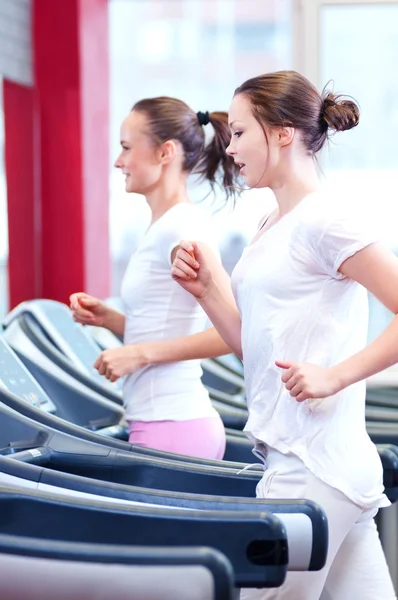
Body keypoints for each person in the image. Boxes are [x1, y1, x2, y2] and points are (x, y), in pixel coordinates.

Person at [171, 71, 397, 599]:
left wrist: (333, 376)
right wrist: (208, 289)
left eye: (241, 133)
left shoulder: (325, 219)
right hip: (328, 468)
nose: (231, 148)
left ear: (283, 133)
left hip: (308, 470)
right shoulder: (275, 221)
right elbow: (257, 348)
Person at [70, 97, 239, 459]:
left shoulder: (181, 229)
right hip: (163, 424)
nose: (119, 161)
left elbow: (236, 331)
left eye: (127, 148)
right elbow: (171, 323)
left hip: (173, 428)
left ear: (165, 153)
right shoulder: (164, 226)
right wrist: (113, 321)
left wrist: (139, 354)